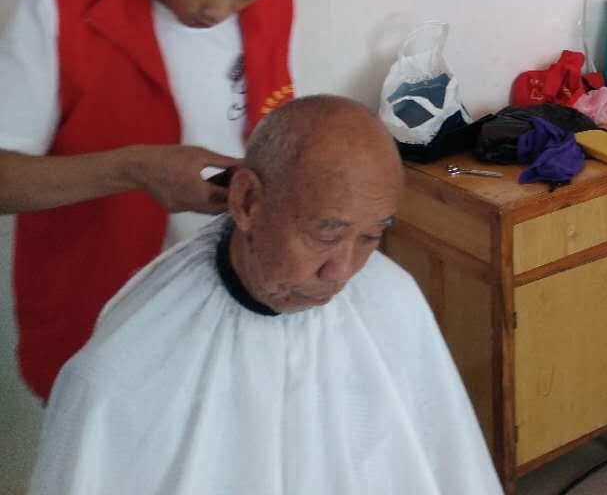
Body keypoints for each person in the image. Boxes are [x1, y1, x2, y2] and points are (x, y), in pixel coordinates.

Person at [28, 95, 503, 495]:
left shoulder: (393, 300)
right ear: (247, 201)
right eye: (325, 233)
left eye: (371, 237)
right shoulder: (121, 374)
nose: (343, 272)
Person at [0, 0, 306, 400]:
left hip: (227, 310)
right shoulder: (58, 10)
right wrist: (137, 170)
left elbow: (266, 128)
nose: (219, 12)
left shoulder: (275, 5)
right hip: (100, 322)